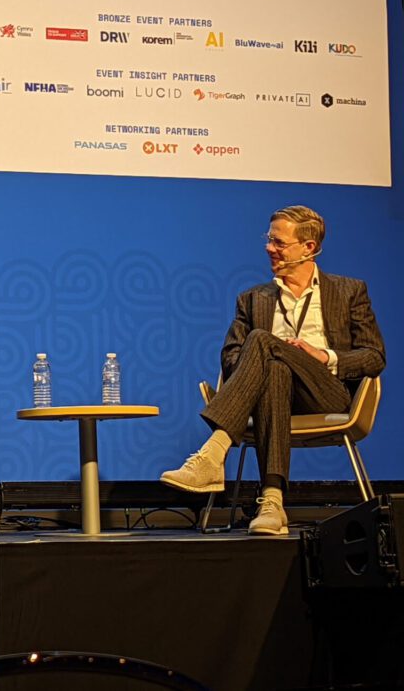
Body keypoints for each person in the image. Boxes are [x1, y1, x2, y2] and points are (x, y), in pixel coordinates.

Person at [161, 206, 385, 535]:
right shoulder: (253, 299)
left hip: (325, 393)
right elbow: (230, 357)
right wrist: (264, 360)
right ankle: (272, 502)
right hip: (269, 397)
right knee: (275, 367)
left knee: (262, 340)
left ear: (308, 247)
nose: (269, 248)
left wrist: (323, 356)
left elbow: (374, 356)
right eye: (268, 240)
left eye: (279, 242)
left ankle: (214, 452)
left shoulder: (349, 291)